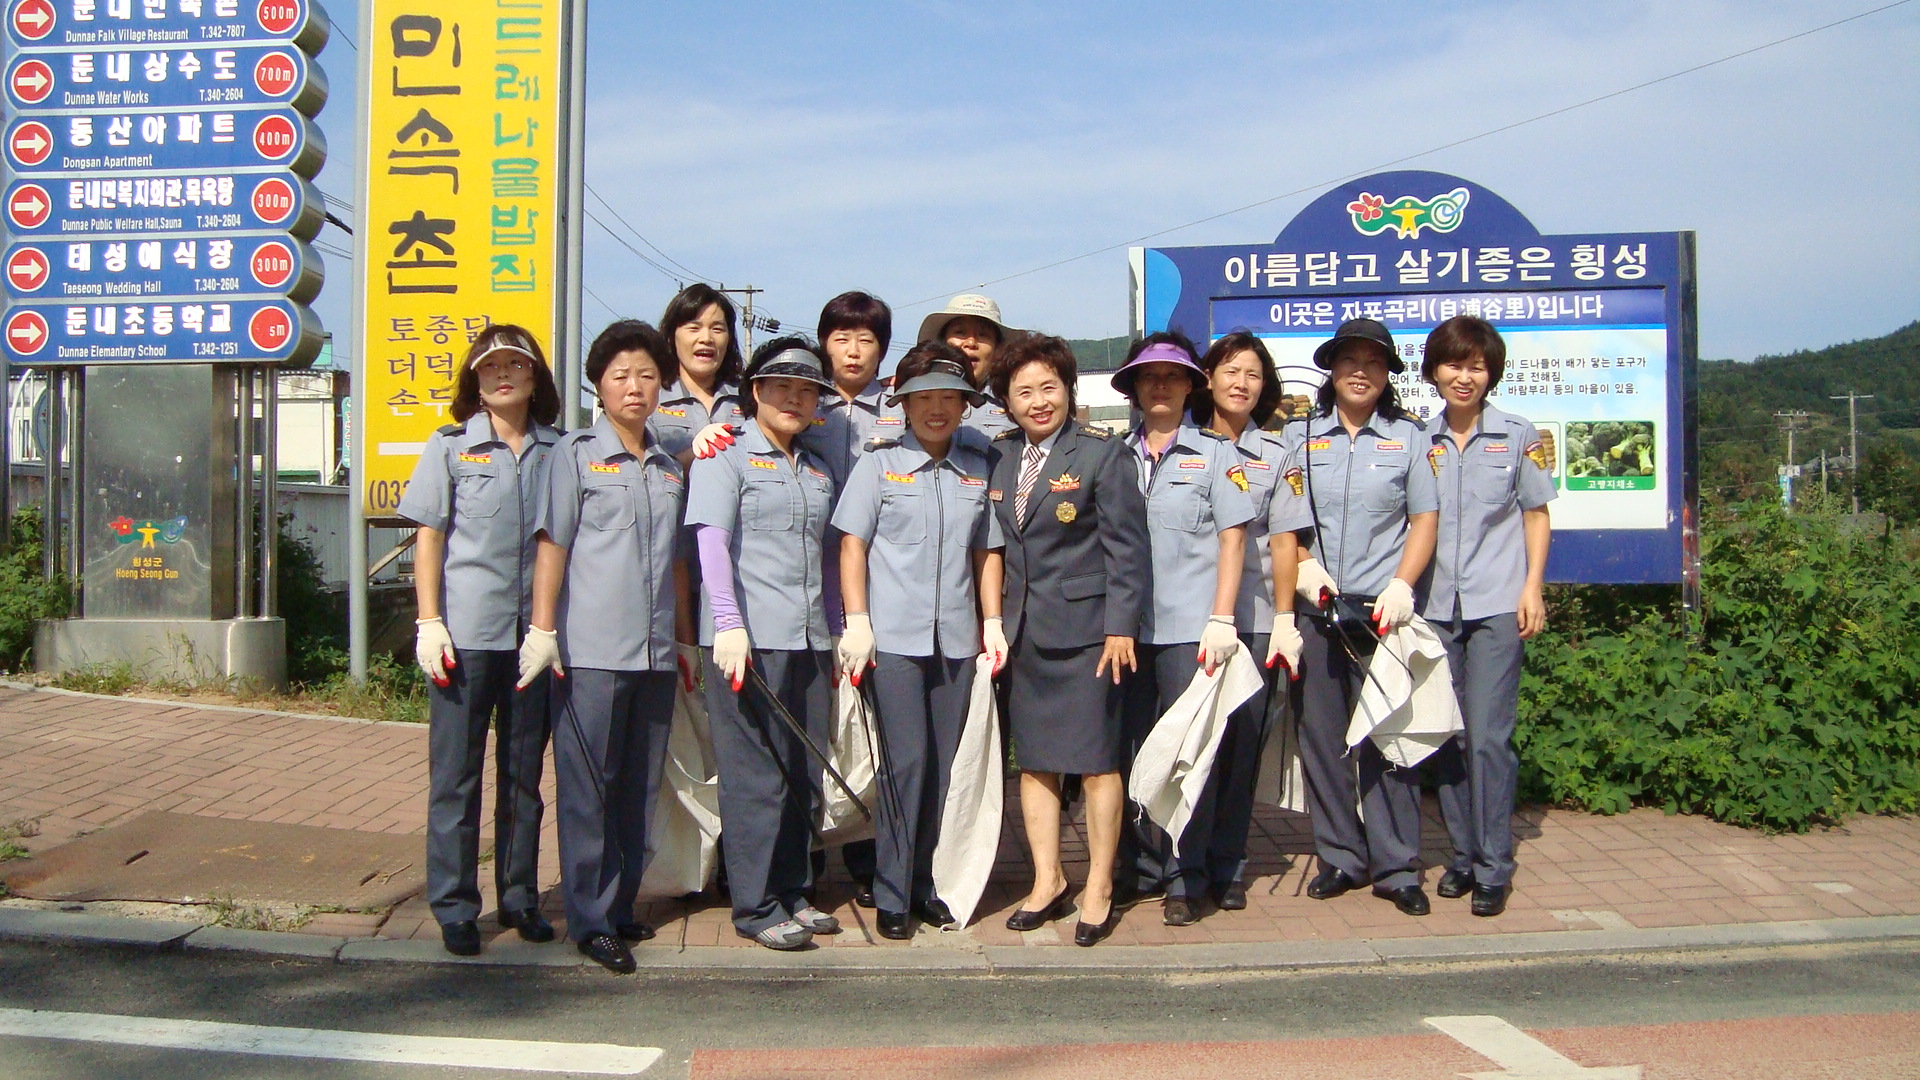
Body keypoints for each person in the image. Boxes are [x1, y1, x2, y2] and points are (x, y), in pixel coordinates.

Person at [518, 320, 694, 974]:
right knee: (590, 787)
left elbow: (677, 561)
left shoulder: (667, 466)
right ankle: (590, 919)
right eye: (621, 375)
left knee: (639, 786)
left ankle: (621, 905)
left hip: (653, 652)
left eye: (647, 375)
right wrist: (542, 630)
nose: (635, 387)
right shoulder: (576, 454)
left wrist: (683, 639)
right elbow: (553, 544)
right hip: (591, 650)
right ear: (599, 384)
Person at [398, 324, 564, 958]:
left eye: (515, 365)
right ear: (475, 378)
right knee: (457, 776)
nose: (502, 375)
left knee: (523, 777)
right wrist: (428, 620)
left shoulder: (559, 449)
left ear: (534, 377)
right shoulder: (450, 447)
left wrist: (547, 630)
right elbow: (430, 536)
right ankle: (455, 904)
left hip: (533, 638)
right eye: (490, 366)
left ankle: (519, 897)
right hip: (464, 636)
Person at [832, 342, 1006, 938]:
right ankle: (891, 889)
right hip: (894, 643)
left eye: (948, 399)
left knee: (946, 767)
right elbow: (852, 545)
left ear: (964, 406)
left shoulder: (976, 467)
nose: (936, 409)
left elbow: (986, 550)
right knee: (905, 764)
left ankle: (930, 883)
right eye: (923, 398)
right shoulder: (878, 465)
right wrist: (857, 620)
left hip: (957, 640)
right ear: (903, 406)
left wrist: (991, 622)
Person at [1268, 318, 1438, 917]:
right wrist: (1305, 568)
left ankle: (1397, 865)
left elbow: (1424, 519)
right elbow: (1285, 520)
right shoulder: (1298, 436)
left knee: (1389, 736)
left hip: (1382, 612)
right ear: (1331, 370)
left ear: (1388, 373)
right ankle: (1340, 855)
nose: (1360, 372)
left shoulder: (1409, 438)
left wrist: (1402, 585)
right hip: (1318, 609)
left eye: (1373, 362)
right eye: (1349, 361)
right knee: (1322, 737)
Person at [685, 337, 848, 950]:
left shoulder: (817, 468)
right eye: (782, 388)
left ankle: (793, 892)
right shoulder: (724, 454)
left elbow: (826, 556)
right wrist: (727, 622)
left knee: (802, 770)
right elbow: (710, 541)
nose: (794, 399)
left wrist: (836, 627)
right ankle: (755, 906)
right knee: (755, 774)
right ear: (756, 391)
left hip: (807, 639)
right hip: (746, 643)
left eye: (807, 391)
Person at [990, 333, 1150, 947]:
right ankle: (1047, 880)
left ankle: (1099, 885)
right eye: (1023, 391)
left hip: (1089, 637)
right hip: (1023, 635)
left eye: (1048, 388)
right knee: (1034, 762)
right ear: (1006, 402)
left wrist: (1120, 626)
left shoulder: (1102, 455)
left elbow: (1127, 549)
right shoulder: (1000, 457)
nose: (1038, 401)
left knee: (1096, 762)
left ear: (1068, 389)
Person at [1107, 331, 1255, 924]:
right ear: (1135, 388)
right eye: (1150, 377)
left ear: (1192, 386)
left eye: (1173, 376)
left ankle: (1184, 876)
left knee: (1189, 756)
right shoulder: (1113, 455)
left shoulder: (1216, 454)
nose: (1161, 386)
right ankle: (1140, 868)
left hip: (1190, 631)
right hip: (1124, 631)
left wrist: (1222, 617)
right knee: (1130, 751)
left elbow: (1233, 539)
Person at [1419, 315, 1554, 918]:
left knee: (1488, 738)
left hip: (1498, 604)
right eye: (1454, 364)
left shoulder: (1519, 436)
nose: (1464, 376)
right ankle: (1463, 856)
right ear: (1434, 372)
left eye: (1476, 366)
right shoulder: (1418, 440)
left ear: (1491, 374)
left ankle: (1495, 866)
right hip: (1433, 608)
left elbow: (1536, 514)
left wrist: (1533, 587)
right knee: (1448, 737)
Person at [1180, 330, 1298, 917]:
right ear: (1208, 379)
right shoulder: (1181, 445)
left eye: (1252, 374)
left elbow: (1284, 540)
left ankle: (1227, 864)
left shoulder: (1277, 455)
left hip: (1251, 620)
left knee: (1239, 748)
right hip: (1186, 620)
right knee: (1189, 747)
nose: (1241, 383)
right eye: (1230, 371)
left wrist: (1285, 618)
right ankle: (1183, 868)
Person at [651, 284, 747, 465]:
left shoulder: (749, 398)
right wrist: (694, 455)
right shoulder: (651, 398)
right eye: (694, 328)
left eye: (717, 329)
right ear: (672, 335)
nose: (706, 339)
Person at [916, 293, 1019, 440]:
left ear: (998, 349)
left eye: (983, 334)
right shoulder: (910, 393)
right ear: (942, 343)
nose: (971, 343)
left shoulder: (1015, 401)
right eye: (960, 332)